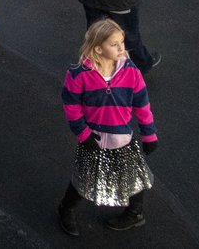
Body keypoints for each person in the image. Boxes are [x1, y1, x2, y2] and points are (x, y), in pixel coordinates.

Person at [58, 19, 157, 235]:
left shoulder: (131, 72)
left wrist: (149, 134)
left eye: (122, 42)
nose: (122, 48)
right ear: (98, 48)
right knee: (84, 177)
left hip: (123, 139)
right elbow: (71, 107)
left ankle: (135, 212)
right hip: (91, 139)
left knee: (133, 176)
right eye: (114, 44)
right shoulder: (78, 74)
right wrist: (83, 134)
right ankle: (66, 208)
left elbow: (142, 104)